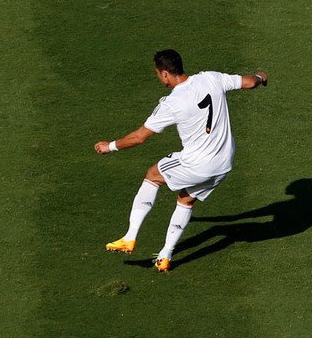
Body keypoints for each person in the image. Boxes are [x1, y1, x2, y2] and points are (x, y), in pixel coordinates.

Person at [94, 49, 267, 271]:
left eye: (158, 74)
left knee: (152, 176)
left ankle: (129, 236)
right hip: (224, 163)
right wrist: (262, 77)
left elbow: (138, 138)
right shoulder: (211, 78)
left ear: (165, 74)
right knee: (186, 200)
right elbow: (250, 82)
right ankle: (165, 256)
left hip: (198, 162)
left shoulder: (172, 102)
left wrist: (109, 146)